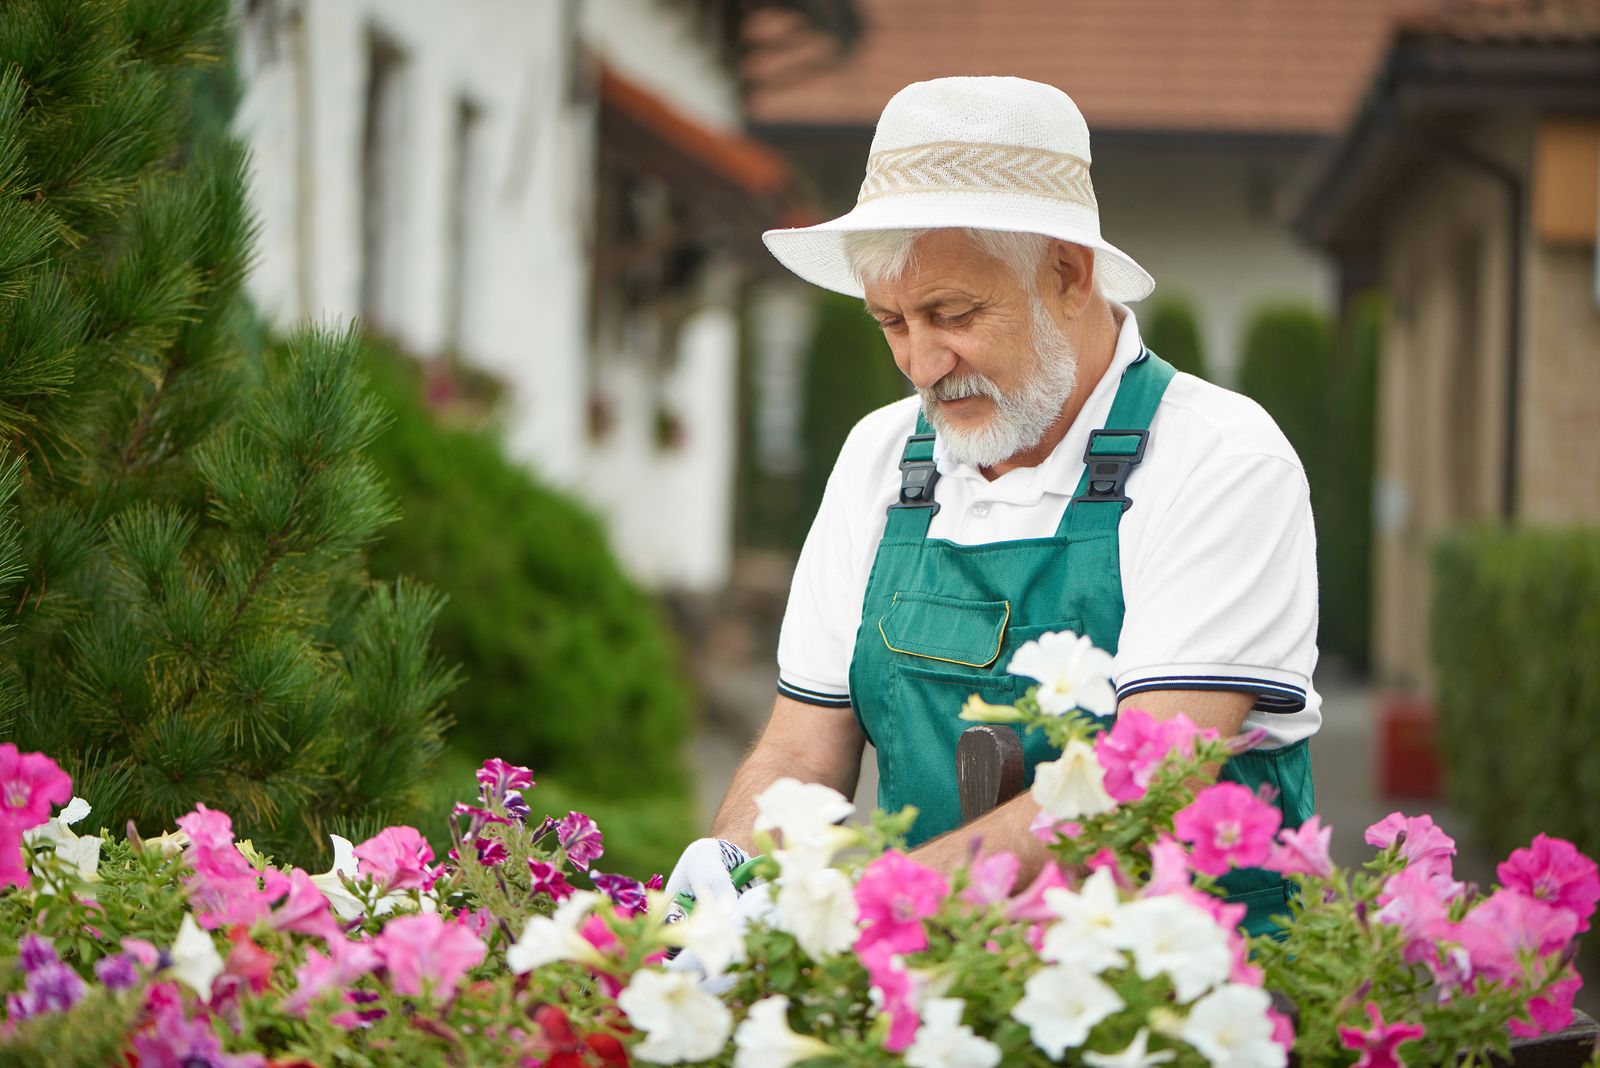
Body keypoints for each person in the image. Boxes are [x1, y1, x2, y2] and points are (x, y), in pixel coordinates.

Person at [667, 76, 1319, 937]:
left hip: (1183, 992)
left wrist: (872, 907)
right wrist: (733, 870)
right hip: (941, 986)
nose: (921, 364)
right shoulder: (879, 458)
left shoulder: (1219, 460)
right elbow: (798, 749)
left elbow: (1147, 783)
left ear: (1068, 273)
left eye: (952, 313)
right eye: (891, 322)